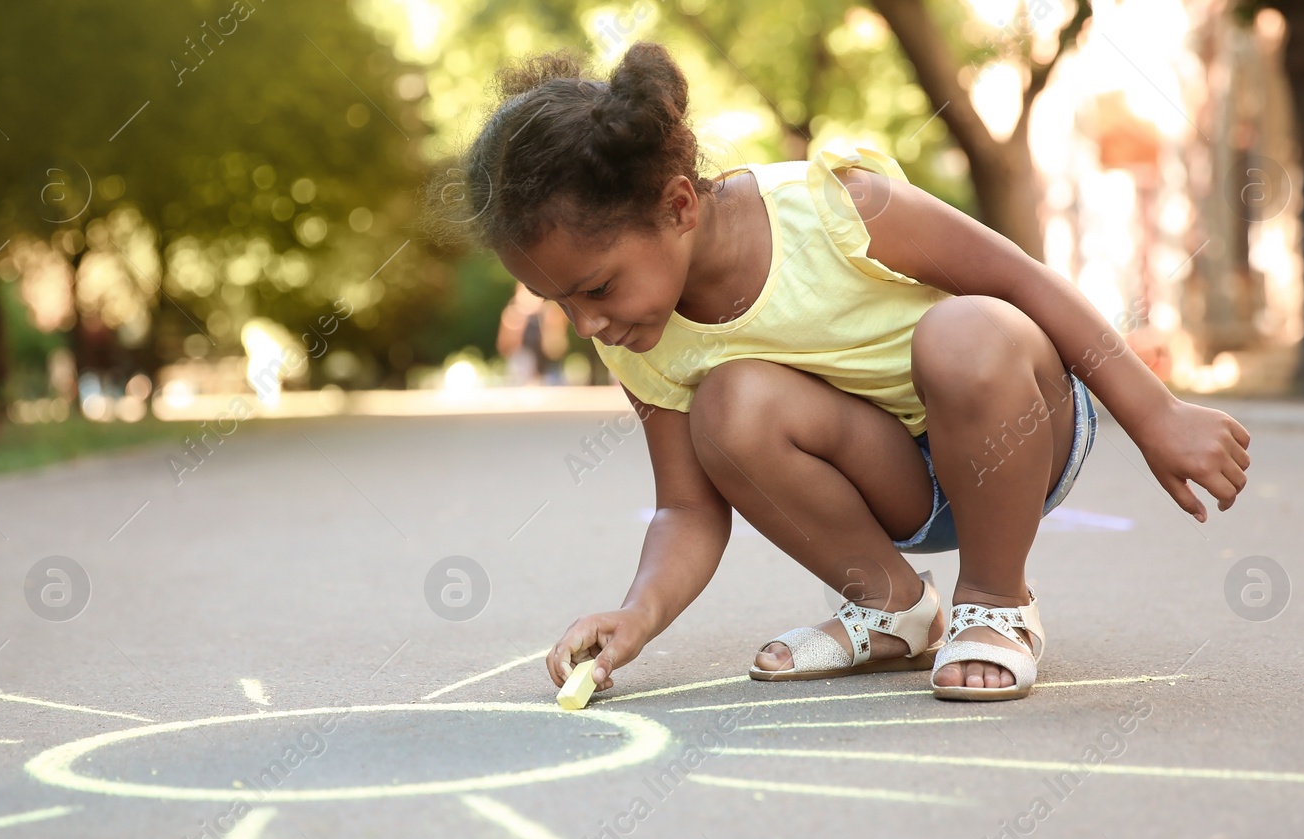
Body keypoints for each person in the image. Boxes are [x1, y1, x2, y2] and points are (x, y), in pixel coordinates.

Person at [439, 42, 1250, 702]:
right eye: (561, 304)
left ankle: (998, 601)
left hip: (1017, 425)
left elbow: (1022, 282)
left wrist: (1156, 414)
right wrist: (638, 612)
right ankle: (893, 607)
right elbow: (687, 506)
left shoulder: (838, 208)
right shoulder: (637, 333)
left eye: (597, 287)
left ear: (679, 206)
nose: (589, 325)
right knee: (731, 405)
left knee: (964, 329)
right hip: (892, 480)